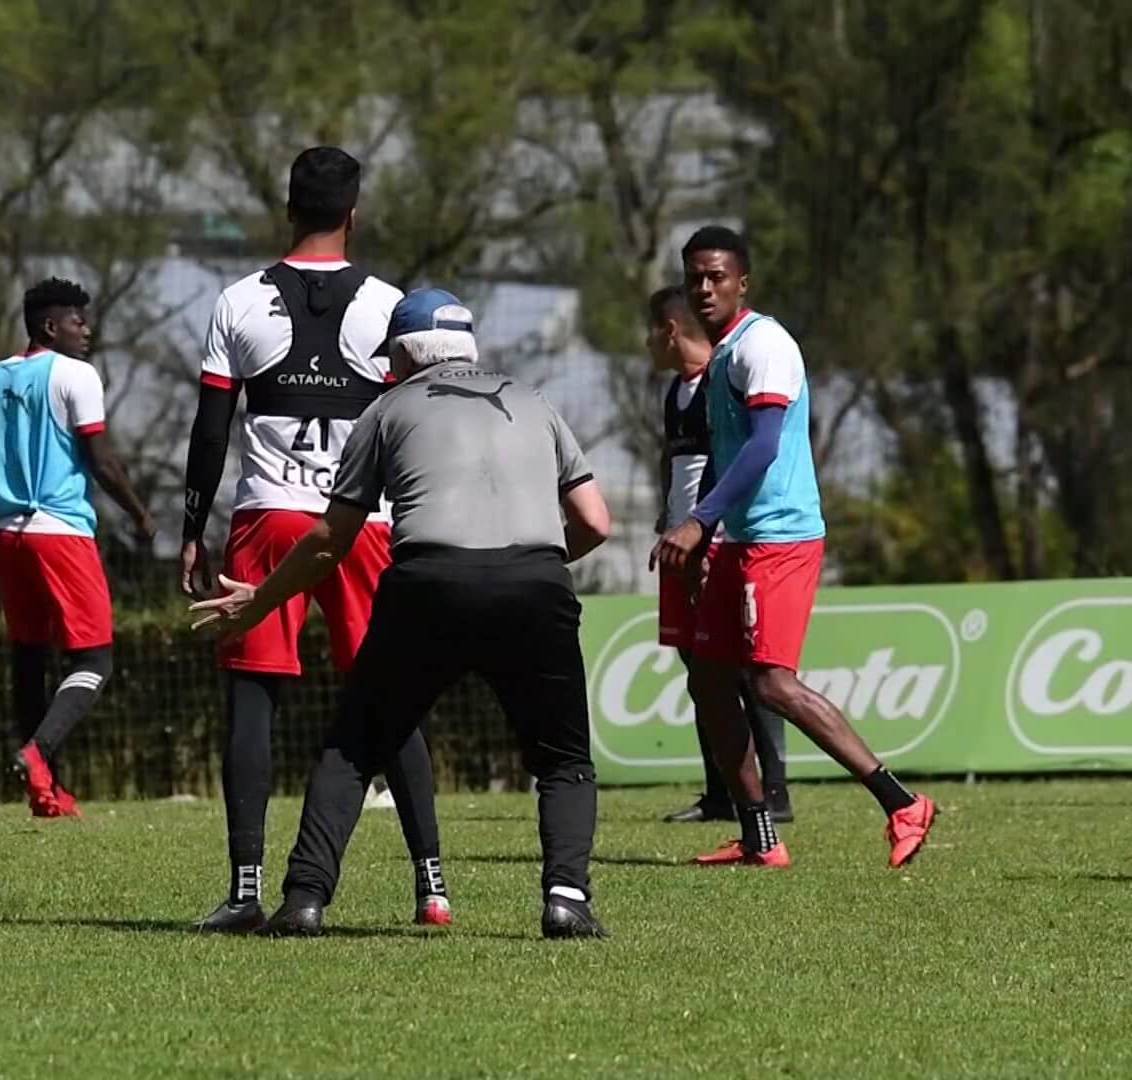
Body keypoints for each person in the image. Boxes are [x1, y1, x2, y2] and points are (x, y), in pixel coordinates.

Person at [192, 288, 615, 940]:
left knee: (355, 746)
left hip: (428, 582)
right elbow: (594, 521)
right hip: (536, 583)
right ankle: (565, 899)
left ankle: (305, 899)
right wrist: (537, 562)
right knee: (563, 759)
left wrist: (258, 600)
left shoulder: (387, 408)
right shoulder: (535, 402)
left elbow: (331, 539)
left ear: (399, 356)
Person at [179, 146, 449, 933]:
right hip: (361, 521)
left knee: (253, 697)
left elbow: (209, 427)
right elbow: (415, 422)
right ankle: (431, 886)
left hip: (267, 517)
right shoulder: (393, 306)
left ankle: (244, 889)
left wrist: (192, 529)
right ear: (353, 215)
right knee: (391, 697)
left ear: (289, 210)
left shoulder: (236, 301)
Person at [651, 226, 937, 868]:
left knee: (772, 683)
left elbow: (764, 446)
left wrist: (700, 522)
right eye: (694, 275)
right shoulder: (723, 355)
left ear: (742, 282)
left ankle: (901, 803)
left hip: (780, 538)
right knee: (707, 675)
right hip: (736, 538)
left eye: (717, 275)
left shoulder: (766, 345)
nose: (704, 287)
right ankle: (759, 838)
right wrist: (701, 530)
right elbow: (728, 460)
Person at [0, 277, 155, 819]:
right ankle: (39, 753)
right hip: (60, 533)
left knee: (29, 657)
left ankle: (46, 791)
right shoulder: (75, 375)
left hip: (7, 537)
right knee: (95, 659)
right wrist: (138, 512)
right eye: (76, 320)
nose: (85, 329)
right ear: (49, 326)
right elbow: (101, 460)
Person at [644, 286, 795, 824]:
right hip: (681, 543)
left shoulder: (723, 379)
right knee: (700, 672)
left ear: (669, 330)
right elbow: (675, 464)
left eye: (649, 330)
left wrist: (707, 526)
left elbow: (737, 460)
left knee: (747, 671)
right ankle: (720, 793)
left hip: (718, 540)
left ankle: (771, 792)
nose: (646, 343)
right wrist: (667, 522)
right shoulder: (674, 393)